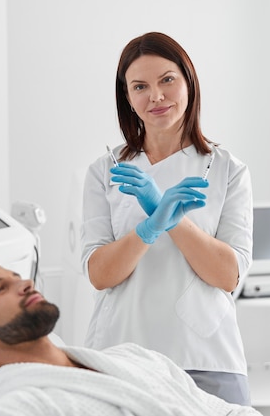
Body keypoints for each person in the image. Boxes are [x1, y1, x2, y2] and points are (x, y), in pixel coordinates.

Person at [81, 32, 253, 405]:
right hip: (122, 355)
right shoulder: (105, 171)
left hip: (206, 356)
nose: (155, 96)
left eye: (167, 80)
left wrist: (173, 220)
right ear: (127, 97)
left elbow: (228, 275)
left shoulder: (226, 170)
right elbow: (99, 275)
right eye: (140, 86)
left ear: (188, 81)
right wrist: (149, 227)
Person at [0, 254, 262, 416]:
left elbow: (229, 413)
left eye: (16, 276)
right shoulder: (22, 409)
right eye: (0, 289)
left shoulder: (134, 358)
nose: (24, 283)